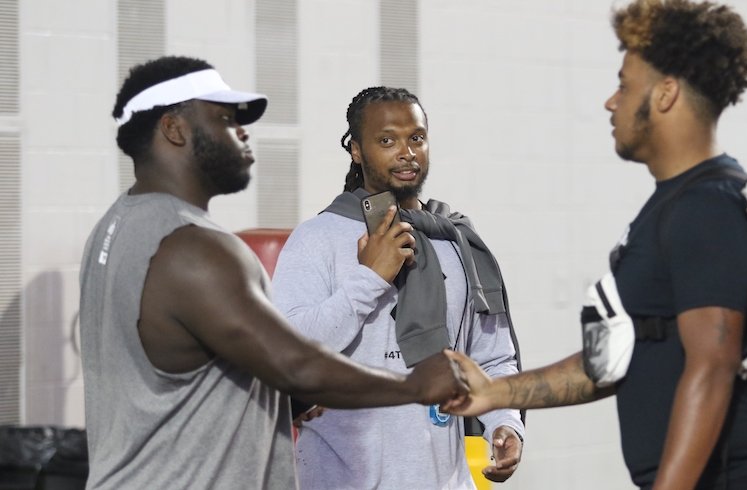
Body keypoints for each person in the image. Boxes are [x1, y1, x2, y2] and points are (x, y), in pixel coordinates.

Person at [445, 1, 747, 489]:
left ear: (665, 94)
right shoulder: (671, 208)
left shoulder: (708, 205)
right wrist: (495, 393)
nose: (611, 102)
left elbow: (712, 366)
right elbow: (609, 363)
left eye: (624, 84)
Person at [79, 56, 468, 490]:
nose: (242, 132)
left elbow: (190, 369)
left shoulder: (116, 226)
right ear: (175, 129)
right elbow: (297, 364)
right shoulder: (194, 247)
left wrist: (292, 400)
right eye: (225, 118)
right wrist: (416, 387)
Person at [271, 86, 525, 489]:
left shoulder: (455, 240)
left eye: (416, 138)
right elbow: (288, 354)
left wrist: (505, 422)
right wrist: (370, 279)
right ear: (356, 149)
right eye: (386, 140)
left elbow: (491, 357)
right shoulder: (317, 238)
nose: (406, 152)